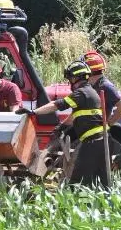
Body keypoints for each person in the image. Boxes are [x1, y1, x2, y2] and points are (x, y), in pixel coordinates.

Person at [25, 60, 108, 188]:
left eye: (71, 78)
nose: (70, 82)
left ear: (76, 78)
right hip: (101, 141)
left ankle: (82, 205)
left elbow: (56, 105)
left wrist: (33, 112)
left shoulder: (81, 93)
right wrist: (62, 127)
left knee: (78, 181)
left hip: (92, 143)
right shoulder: (90, 92)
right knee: (102, 180)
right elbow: (74, 116)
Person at [81, 50, 121, 125]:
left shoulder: (106, 86)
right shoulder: (93, 85)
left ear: (89, 71)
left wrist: (108, 124)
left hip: (99, 133)